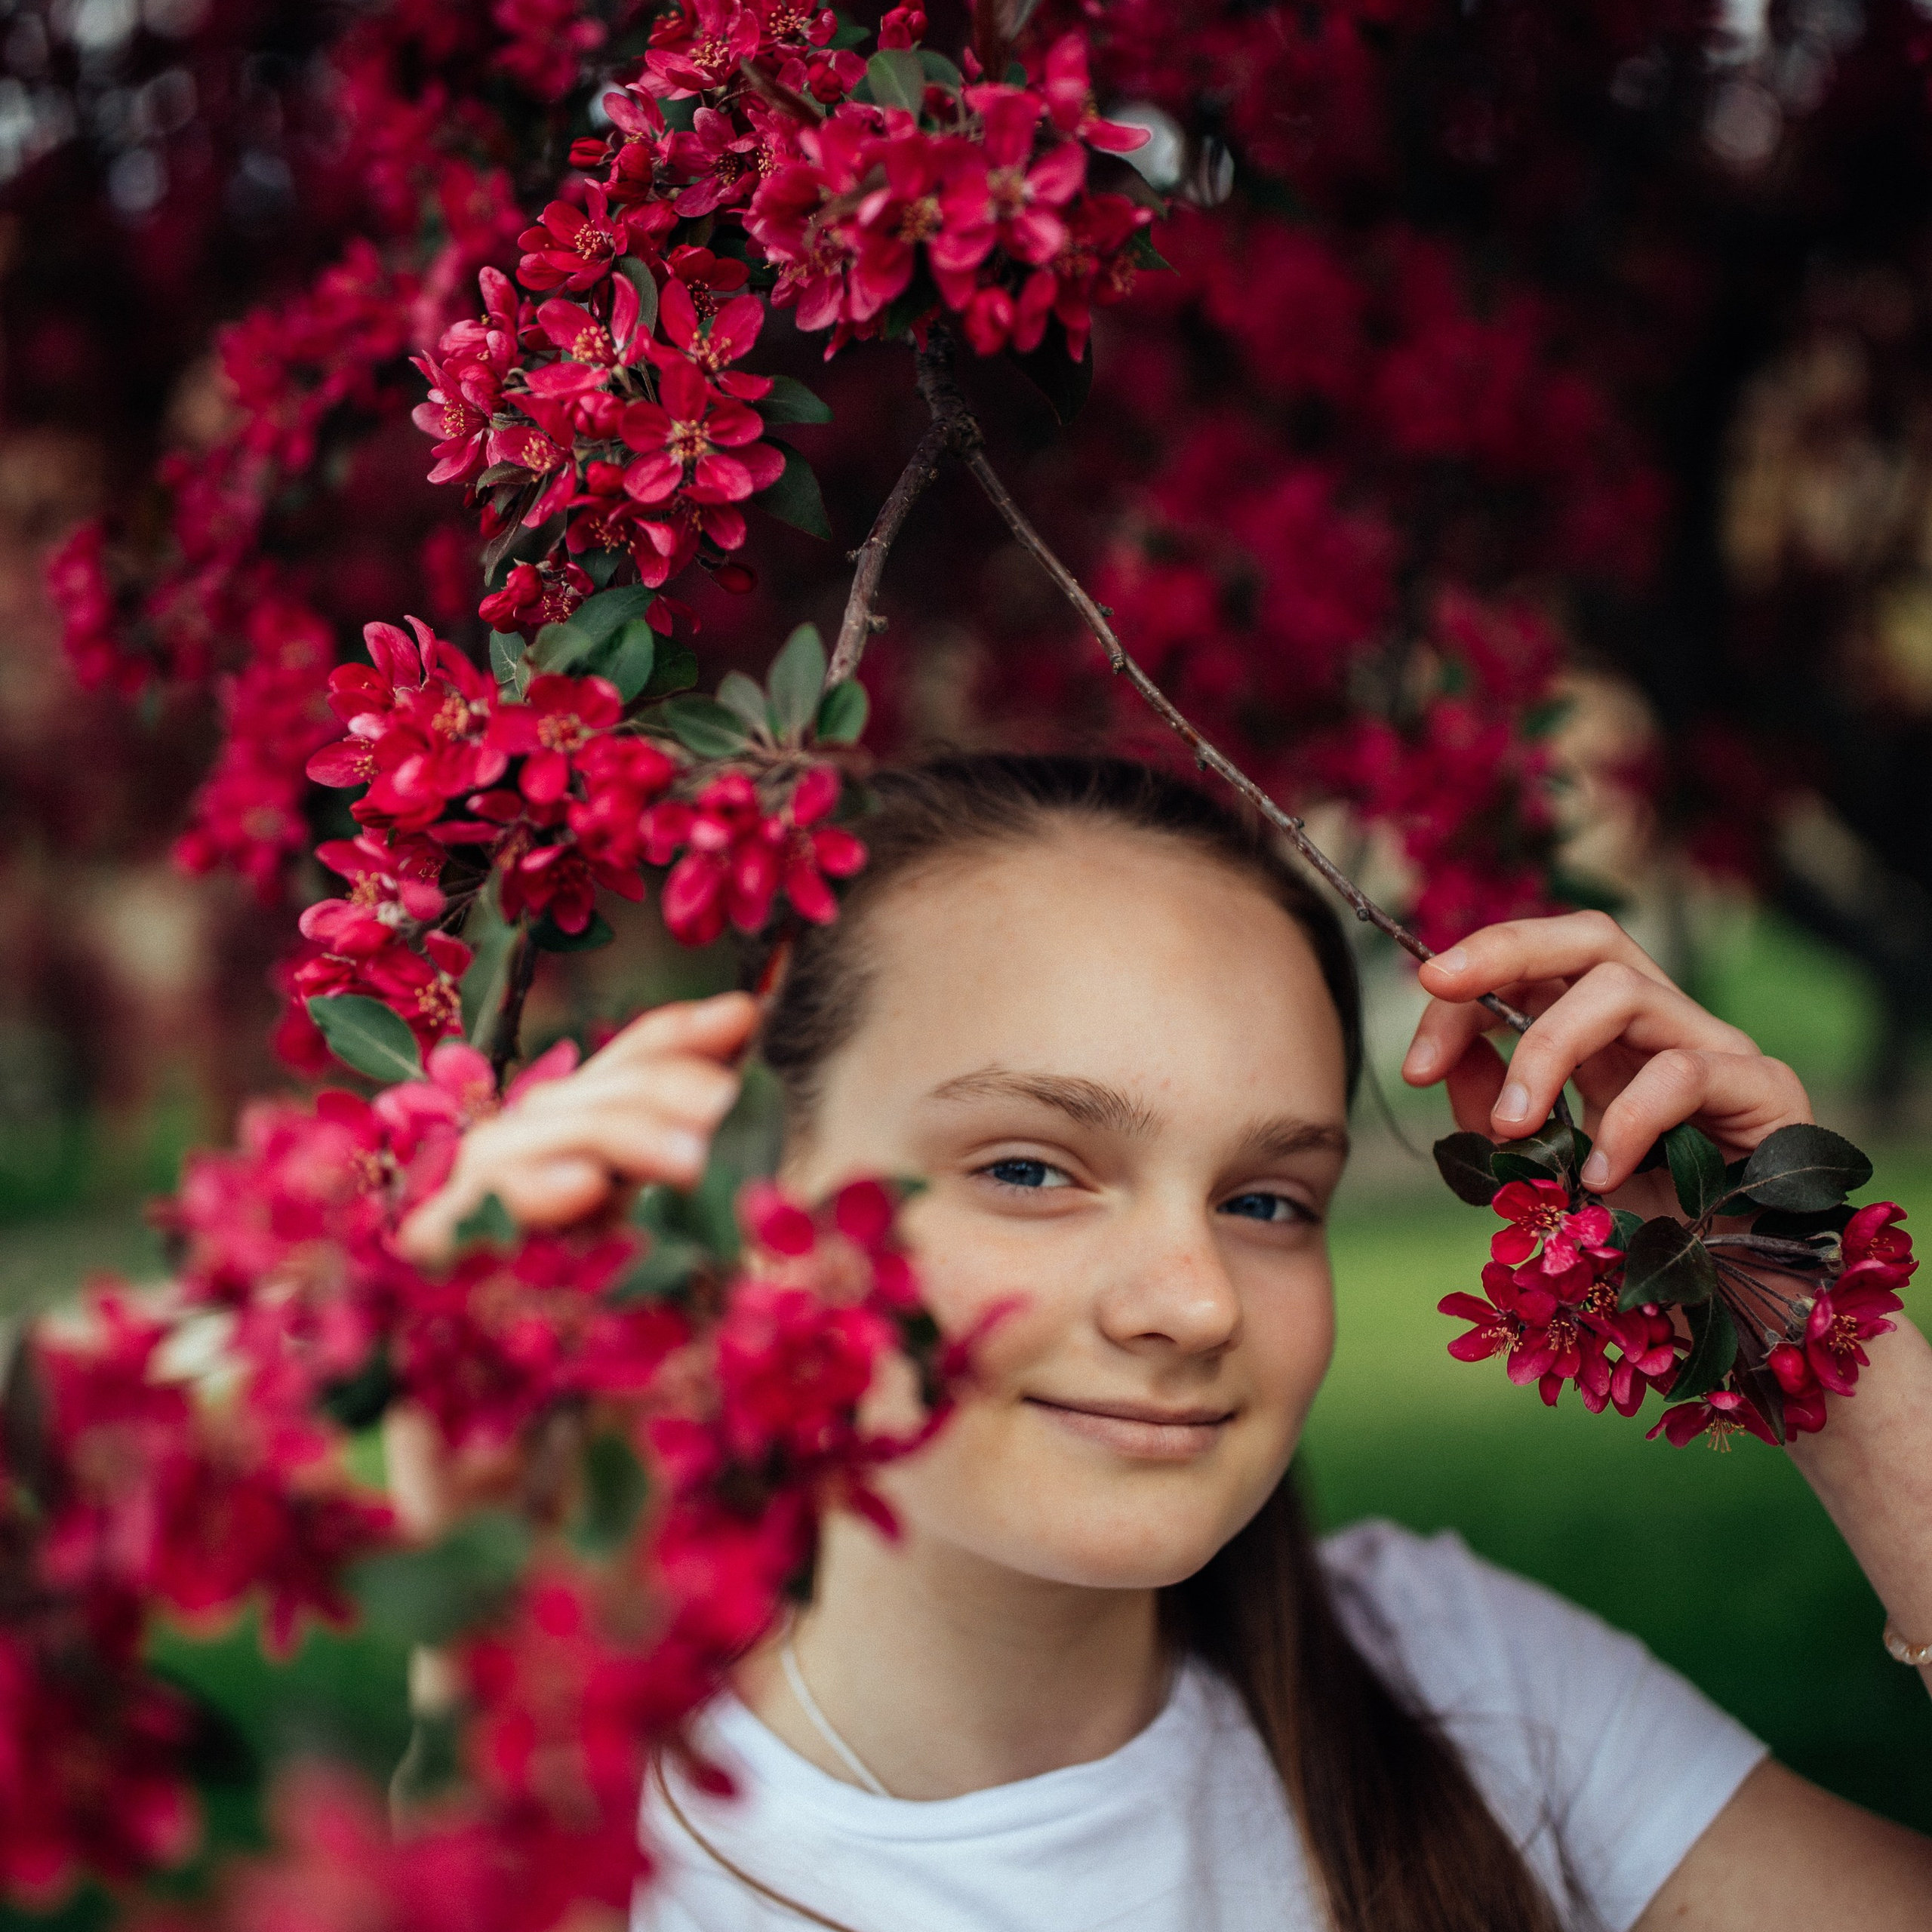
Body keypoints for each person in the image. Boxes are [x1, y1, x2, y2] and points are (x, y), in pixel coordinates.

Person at [398, 753, 1932, 1931]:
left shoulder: (1462, 1685)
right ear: (743, 1182)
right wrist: (486, 1677)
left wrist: (1808, 1329)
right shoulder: (624, 1858)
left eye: (1268, 1196)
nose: (1191, 1301)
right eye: (1027, 1167)